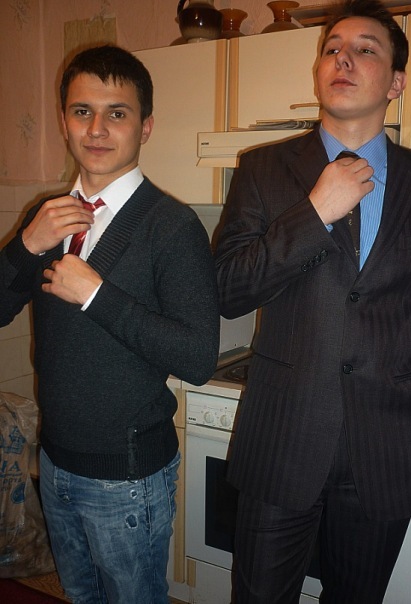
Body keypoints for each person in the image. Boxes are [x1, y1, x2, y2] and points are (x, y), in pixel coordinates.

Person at [215, 1, 411, 602]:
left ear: (396, 82)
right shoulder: (262, 169)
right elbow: (227, 290)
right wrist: (315, 212)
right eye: (332, 48)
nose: (342, 58)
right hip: (284, 439)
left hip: (392, 444)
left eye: (365, 49)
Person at [0, 45, 219, 603]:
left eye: (116, 113)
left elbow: (197, 357)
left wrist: (96, 295)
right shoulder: (47, 218)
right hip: (55, 463)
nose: (96, 129)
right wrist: (27, 245)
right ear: (64, 120)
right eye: (82, 111)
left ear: (145, 127)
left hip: (128, 478)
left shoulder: (172, 227)